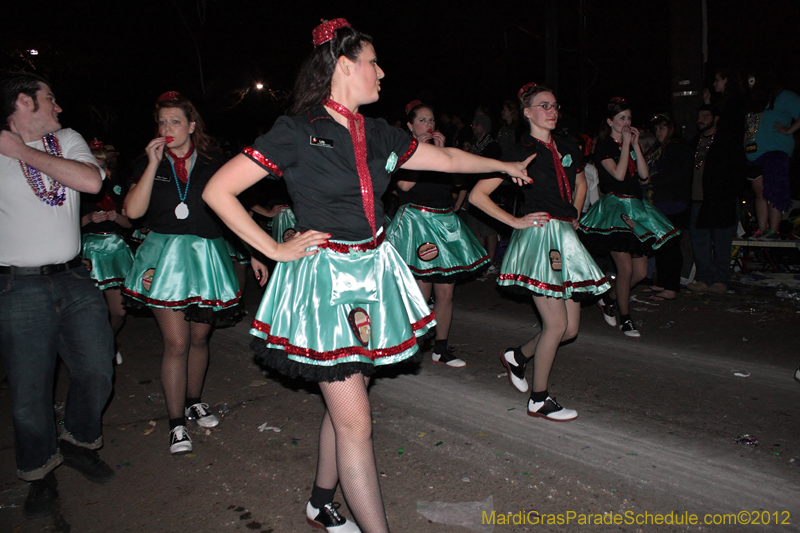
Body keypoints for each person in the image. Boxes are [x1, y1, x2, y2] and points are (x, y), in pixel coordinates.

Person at [202, 18, 533, 533]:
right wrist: (272, 246)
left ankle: (319, 501)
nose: (382, 71)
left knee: (349, 405)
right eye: (373, 62)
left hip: (374, 276)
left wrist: (504, 164)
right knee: (356, 419)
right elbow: (218, 191)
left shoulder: (378, 131)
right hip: (325, 284)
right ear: (344, 66)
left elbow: (444, 157)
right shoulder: (297, 130)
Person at [0, 72, 115, 520]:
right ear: (24, 101)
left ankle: (78, 441)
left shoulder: (66, 138)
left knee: (97, 369)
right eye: (51, 99)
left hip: (73, 279)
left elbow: (90, 182)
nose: (59, 107)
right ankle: (39, 471)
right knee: (29, 392)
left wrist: (21, 153)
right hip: (15, 285)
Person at [470, 82, 609, 421]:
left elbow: (579, 183)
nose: (552, 110)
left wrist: (574, 214)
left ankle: (517, 356)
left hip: (565, 237)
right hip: (539, 238)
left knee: (570, 329)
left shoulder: (568, 145)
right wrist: (515, 222)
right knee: (556, 323)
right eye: (544, 105)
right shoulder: (519, 150)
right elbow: (477, 195)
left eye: (555, 105)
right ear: (528, 112)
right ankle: (539, 398)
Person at [123, 91, 251, 455]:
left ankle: (195, 400)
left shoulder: (214, 161)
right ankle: (176, 423)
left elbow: (232, 210)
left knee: (198, 340)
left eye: (175, 121)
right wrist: (151, 164)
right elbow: (132, 211)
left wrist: (252, 251)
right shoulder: (150, 162)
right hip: (165, 259)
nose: (167, 128)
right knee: (176, 343)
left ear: (192, 125)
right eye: (162, 122)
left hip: (206, 255)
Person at [386, 100, 492, 368]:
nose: (429, 125)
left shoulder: (443, 149)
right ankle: (411, 346)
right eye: (422, 121)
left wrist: (443, 153)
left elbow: (458, 182)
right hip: (417, 223)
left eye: (431, 120)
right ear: (410, 126)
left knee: (446, 291)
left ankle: (441, 349)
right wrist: (421, 152)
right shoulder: (402, 151)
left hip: (444, 220)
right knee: (421, 289)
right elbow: (405, 186)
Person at [578, 98, 679, 337]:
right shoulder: (603, 146)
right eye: (622, 118)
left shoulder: (630, 143)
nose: (626, 122)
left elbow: (644, 176)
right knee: (624, 270)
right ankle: (626, 318)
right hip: (615, 209)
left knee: (640, 273)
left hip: (636, 209)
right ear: (610, 121)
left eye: (629, 118)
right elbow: (620, 175)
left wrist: (634, 145)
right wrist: (624, 146)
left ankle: (609, 299)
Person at [81, 139, 133, 363]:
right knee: (91, 311)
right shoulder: (77, 190)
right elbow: (63, 228)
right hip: (88, 251)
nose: (99, 170)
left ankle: (108, 341)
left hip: (115, 249)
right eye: (94, 165)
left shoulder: (117, 187)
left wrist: (116, 217)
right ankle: (98, 349)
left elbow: (130, 224)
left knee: (119, 311)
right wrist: (88, 218)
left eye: (102, 165)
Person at [686, 105, 747, 292]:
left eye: (705, 116)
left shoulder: (726, 141)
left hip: (721, 200)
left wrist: (731, 195)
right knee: (699, 242)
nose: (701, 119)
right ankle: (703, 278)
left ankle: (720, 280)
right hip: (697, 200)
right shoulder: (693, 143)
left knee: (721, 242)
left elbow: (738, 170)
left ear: (716, 118)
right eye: (699, 116)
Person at [642, 114, 693, 301]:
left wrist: (651, 178)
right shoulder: (662, 148)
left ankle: (671, 286)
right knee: (661, 245)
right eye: (656, 129)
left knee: (670, 246)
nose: (658, 132)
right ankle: (662, 282)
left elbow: (675, 175)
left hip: (673, 203)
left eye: (661, 128)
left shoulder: (676, 147)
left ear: (670, 128)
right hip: (662, 202)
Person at [744, 74, 800, 239]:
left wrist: (789, 130)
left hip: (775, 150)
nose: (750, 85)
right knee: (759, 192)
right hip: (754, 153)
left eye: (753, 81)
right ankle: (761, 229)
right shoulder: (754, 103)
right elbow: (748, 129)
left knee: (775, 189)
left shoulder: (783, 96)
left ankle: (773, 230)